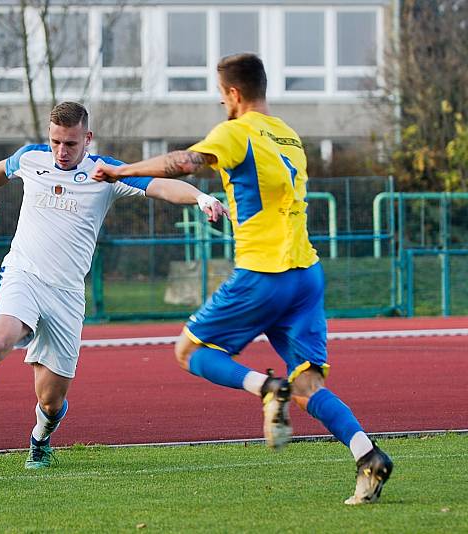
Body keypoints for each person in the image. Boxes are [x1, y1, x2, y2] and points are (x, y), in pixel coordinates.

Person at [91, 54, 393, 505]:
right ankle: (368, 455)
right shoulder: (289, 135)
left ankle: (267, 388)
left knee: (188, 350)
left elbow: (185, 162)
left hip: (263, 274)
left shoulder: (236, 132)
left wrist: (121, 170)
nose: (221, 103)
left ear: (233, 94)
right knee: (309, 384)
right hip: (306, 275)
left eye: (221, 95)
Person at [0, 101, 227, 476]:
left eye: (70, 143)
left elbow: (161, 185)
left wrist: (201, 198)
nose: (61, 151)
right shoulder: (31, 158)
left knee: (51, 401)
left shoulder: (106, 172)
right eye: (55, 142)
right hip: (23, 275)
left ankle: (40, 438)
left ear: (87, 138)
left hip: (67, 296)